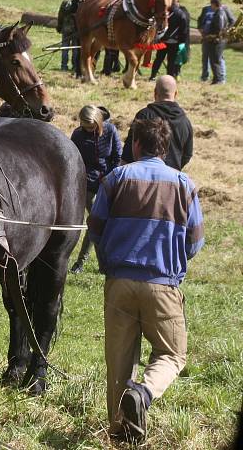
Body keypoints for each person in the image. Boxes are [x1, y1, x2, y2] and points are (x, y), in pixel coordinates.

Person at [88, 117, 204, 443]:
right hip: (163, 284)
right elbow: (194, 243)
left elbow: (95, 229)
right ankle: (145, 392)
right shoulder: (184, 185)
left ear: (136, 144)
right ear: (165, 147)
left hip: (119, 283)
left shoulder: (116, 178)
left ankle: (120, 436)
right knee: (172, 355)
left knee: (119, 367)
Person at [70, 105, 122, 273]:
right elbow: (73, 160)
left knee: (101, 223)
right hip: (87, 186)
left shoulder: (111, 131)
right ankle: (87, 262)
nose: (89, 131)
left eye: (92, 127)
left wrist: (110, 178)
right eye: (86, 127)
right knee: (96, 221)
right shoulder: (78, 135)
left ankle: (101, 261)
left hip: (106, 184)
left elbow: (117, 156)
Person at [121, 75, 193, 170]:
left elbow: (129, 150)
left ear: (155, 93)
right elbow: (187, 155)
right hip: (171, 178)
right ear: (176, 94)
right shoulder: (185, 121)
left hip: (143, 176)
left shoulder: (144, 116)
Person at [150, 0, 190, 80]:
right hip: (174, 41)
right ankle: (169, 78)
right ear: (177, 3)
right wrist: (181, 40)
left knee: (159, 59)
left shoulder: (164, 12)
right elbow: (184, 29)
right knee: (171, 61)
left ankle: (153, 76)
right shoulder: (181, 14)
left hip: (163, 40)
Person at [198, 0, 235, 82]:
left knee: (218, 58)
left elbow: (232, 21)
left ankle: (221, 77)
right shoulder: (206, 9)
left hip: (217, 38)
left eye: (214, 0)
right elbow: (200, 20)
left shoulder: (224, 10)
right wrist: (200, 28)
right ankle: (205, 76)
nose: (212, 2)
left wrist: (226, 31)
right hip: (206, 37)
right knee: (205, 57)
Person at [205, 0, 230, 84]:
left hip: (217, 41)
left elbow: (219, 29)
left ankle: (218, 80)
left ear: (214, 4)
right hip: (219, 40)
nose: (211, 6)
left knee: (215, 60)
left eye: (211, 4)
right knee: (215, 60)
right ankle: (216, 79)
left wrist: (211, 36)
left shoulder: (219, 14)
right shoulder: (221, 12)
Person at [69, 0, 92, 78]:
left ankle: (91, 70)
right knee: (80, 50)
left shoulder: (94, 1)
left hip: (93, 29)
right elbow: (71, 12)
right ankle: (79, 72)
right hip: (80, 30)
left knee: (94, 51)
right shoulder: (75, 1)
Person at [57, 0, 79, 72]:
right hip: (75, 28)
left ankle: (64, 66)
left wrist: (59, 25)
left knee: (65, 47)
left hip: (66, 28)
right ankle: (74, 65)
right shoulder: (78, 1)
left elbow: (60, 15)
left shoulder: (65, 1)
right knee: (75, 48)